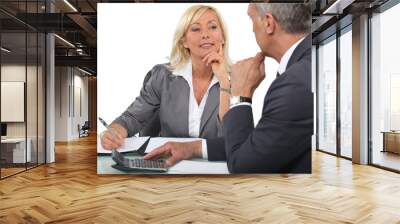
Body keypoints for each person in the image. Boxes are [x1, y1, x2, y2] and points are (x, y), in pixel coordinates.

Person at [145, 2, 313, 173]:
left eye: (251, 18)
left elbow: (245, 163)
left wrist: (239, 94)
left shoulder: (294, 83)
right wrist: (190, 148)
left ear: (268, 23)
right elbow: (263, 144)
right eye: (196, 29)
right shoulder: (302, 69)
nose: (252, 29)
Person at [101, 5, 232, 162]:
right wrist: (114, 131)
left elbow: (232, 139)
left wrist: (224, 81)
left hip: (215, 167)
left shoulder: (239, 79)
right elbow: (133, 118)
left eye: (212, 27)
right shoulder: (162, 77)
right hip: (168, 164)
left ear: (222, 37)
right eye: (196, 29)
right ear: (184, 41)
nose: (205, 35)